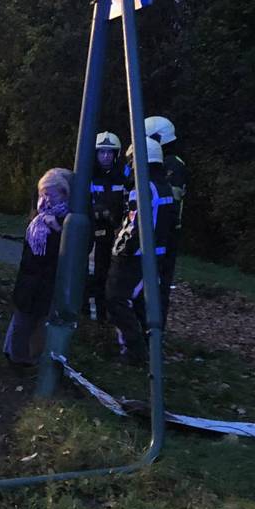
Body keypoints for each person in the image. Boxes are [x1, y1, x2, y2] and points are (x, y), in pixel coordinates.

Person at [105, 138, 176, 363]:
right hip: (156, 255)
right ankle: (148, 346)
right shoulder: (163, 186)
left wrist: (121, 249)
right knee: (138, 302)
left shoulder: (143, 187)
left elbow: (135, 225)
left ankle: (134, 351)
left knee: (116, 299)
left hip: (135, 256)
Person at [3, 168, 72, 366]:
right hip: (30, 280)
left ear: (63, 194)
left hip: (48, 281)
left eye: (50, 194)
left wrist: (58, 230)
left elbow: (69, 251)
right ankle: (15, 357)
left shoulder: (66, 221)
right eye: (43, 194)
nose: (46, 199)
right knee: (22, 321)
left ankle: (32, 359)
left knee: (39, 323)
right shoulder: (37, 220)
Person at [144, 116, 185, 327]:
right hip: (154, 228)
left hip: (165, 233)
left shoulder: (172, 165)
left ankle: (155, 328)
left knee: (160, 281)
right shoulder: (161, 163)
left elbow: (169, 199)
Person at [86, 131, 124, 321]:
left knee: (114, 277)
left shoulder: (124, 176)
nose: (106, 156)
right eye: (102, 152)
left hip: (118, 235)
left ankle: (108, 316)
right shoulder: (89, 176)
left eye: (110, 152)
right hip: (94, 236)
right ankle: (94, 317)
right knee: (94, 275)